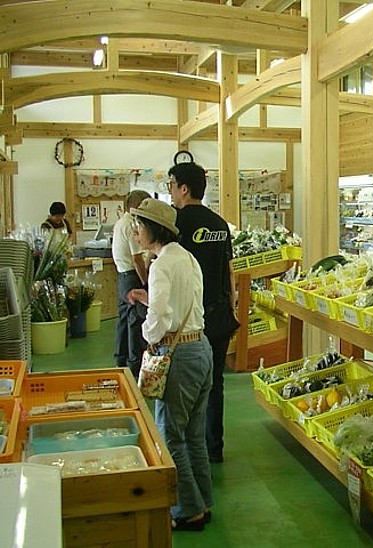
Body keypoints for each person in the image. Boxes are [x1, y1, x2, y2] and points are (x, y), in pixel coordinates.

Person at [126, 198, 214, 531]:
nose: (135, 233)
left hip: (178, 355)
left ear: (153, 229)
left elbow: (161, 316)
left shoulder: (161, 265)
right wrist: (149, 302)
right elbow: (181, 303)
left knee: (171, 436)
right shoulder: (186, 257)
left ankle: (188, 511)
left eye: (138, 226)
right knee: (194, 435)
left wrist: (149, 334)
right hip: (200, 347)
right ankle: (203, 502)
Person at [168, 161, 236, 464]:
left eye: (172, 185)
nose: (171, 191)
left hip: (186, 318)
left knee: (182, 384)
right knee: (215, 382)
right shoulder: (220, 224)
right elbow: (229, 270)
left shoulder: (174, 223)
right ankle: (213, 447)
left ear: (184, 188)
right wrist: (231, 306)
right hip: (219, 314)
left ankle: (184, 449)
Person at [112, 190, 150, 378]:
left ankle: (121, 359)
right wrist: (145, 282)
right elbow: (137, 259)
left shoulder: (120, 222)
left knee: (123, 320)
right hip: (132, 276)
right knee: (135, 321)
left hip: (122, 276)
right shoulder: (131, 225)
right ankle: (135, 364)